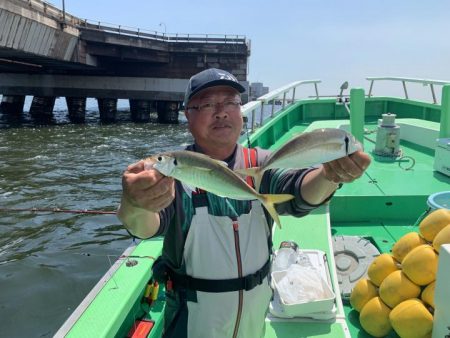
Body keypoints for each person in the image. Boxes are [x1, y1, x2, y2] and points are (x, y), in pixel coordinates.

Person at [118, 68, 371, 338]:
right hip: (192, 320)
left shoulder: (260, 164)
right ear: (187, 115)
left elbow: (299, 191)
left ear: (240, 112)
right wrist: (135, 204)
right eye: (207, 104)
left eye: (230, 102)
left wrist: (330, 176)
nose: (221, 112)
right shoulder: (174, 174)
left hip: (254, 317)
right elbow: (146, 226)